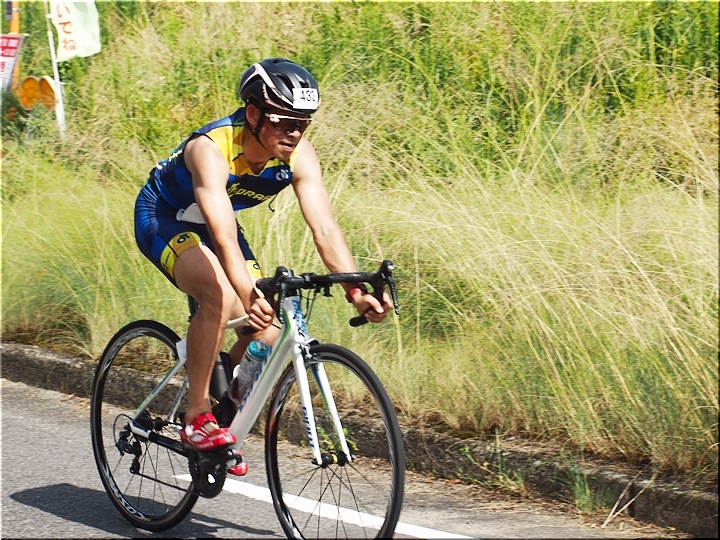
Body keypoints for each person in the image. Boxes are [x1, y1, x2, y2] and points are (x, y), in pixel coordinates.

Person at [134, 58, 391, 463]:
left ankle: (221, 408)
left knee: (267, 335)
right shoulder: (211, 148)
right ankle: (196, 416)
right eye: (284, 121)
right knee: (221, 294)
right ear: (253, 114)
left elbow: (324, 228)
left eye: (302, 123)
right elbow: (222, 235)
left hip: (215, 224)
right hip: (164, 216)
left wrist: (356, 291)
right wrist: (245, 292)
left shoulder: (297, 154)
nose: (295, 133)